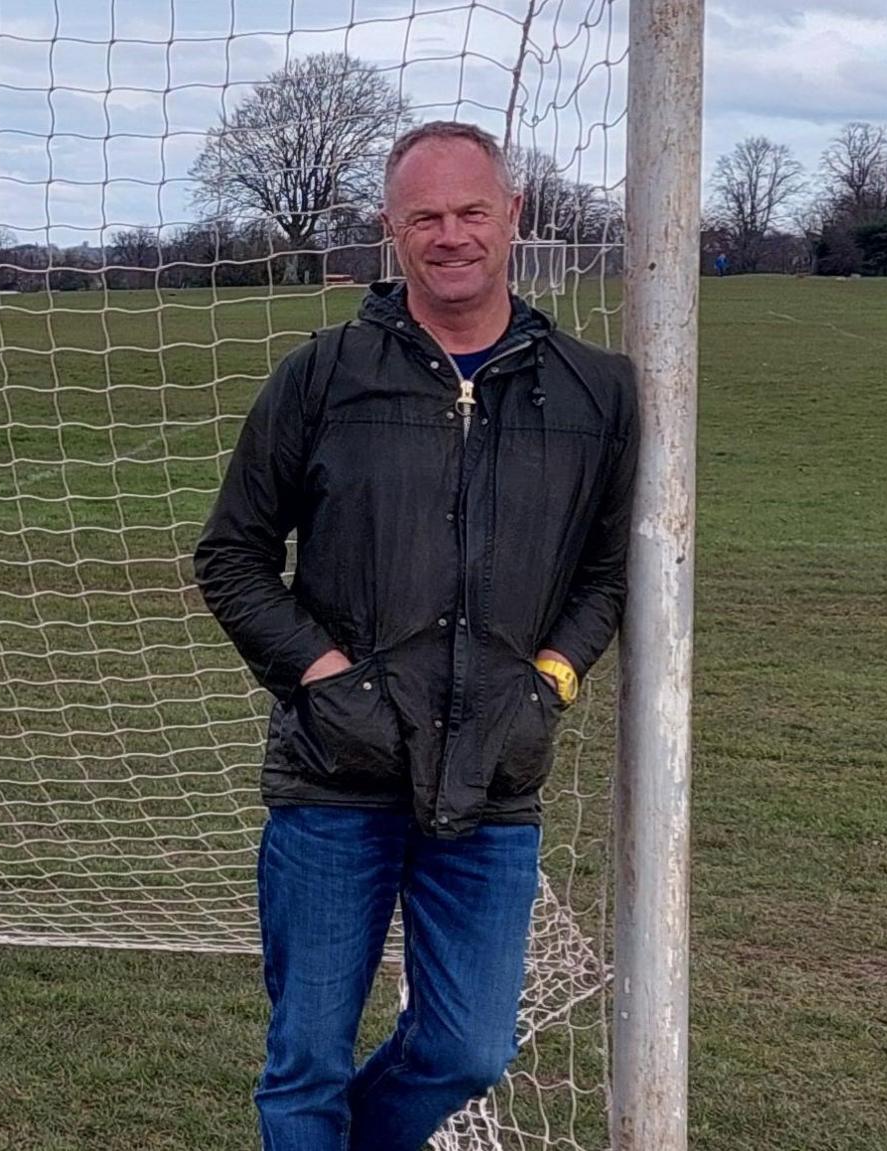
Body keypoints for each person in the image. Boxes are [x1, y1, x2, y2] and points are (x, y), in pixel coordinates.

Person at [193, 120, 639, 1151]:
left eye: (470, 211)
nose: (451, 235)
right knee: (303, 1057)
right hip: (333, 773)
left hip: (491, 771)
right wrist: (326, 677)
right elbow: (231, 555)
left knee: (466, 1046)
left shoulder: (593, 390)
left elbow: (607, 572)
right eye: (424, 216)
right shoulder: (322, 375)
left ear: (512, 216)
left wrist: (548, 684)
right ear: (390, 230)